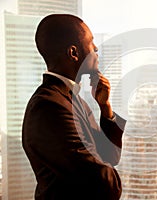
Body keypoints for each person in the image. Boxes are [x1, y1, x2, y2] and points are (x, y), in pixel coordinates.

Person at [22, 14, 126, 200]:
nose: (95, 48)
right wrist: (110, 173)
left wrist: (105, 107)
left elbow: (111, 156)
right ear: (74, 53)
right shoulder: (49, 107)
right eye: (91, 42)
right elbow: (105, 185)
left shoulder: (73, 100)